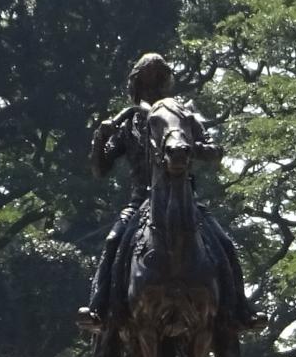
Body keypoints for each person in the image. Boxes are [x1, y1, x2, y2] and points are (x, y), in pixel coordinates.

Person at [79, 53, 257, 339]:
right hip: (139, 202)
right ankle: (99, 308)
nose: (152, 89)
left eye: (158, 81)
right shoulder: (128, 122)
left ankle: (241, 310)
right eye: (146, 83)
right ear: (137, 85)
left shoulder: (183, 116)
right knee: (113, 242)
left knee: (224, 243)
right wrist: (100, 137)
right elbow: (101, 169)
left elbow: (215, 152)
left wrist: (185, 148)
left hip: (185, 200)